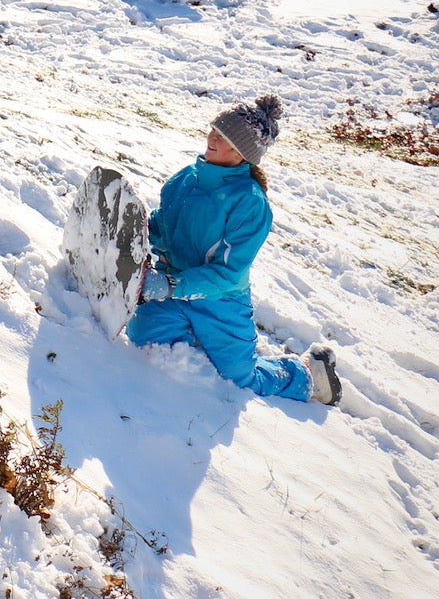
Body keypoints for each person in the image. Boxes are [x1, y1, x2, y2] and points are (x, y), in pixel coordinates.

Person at [127, 96, 342, 405]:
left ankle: (308, 374)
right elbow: (166, 226)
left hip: (220, 301)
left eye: (224, 136)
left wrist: (170, 286)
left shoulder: (250, 203)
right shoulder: (184, 180)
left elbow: (228, 273)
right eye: (214, 129)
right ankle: (197, 343)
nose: (213, 137)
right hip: (171, 290)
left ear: (244, 152)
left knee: (240, 379)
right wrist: (138, 233)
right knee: (145, 343)